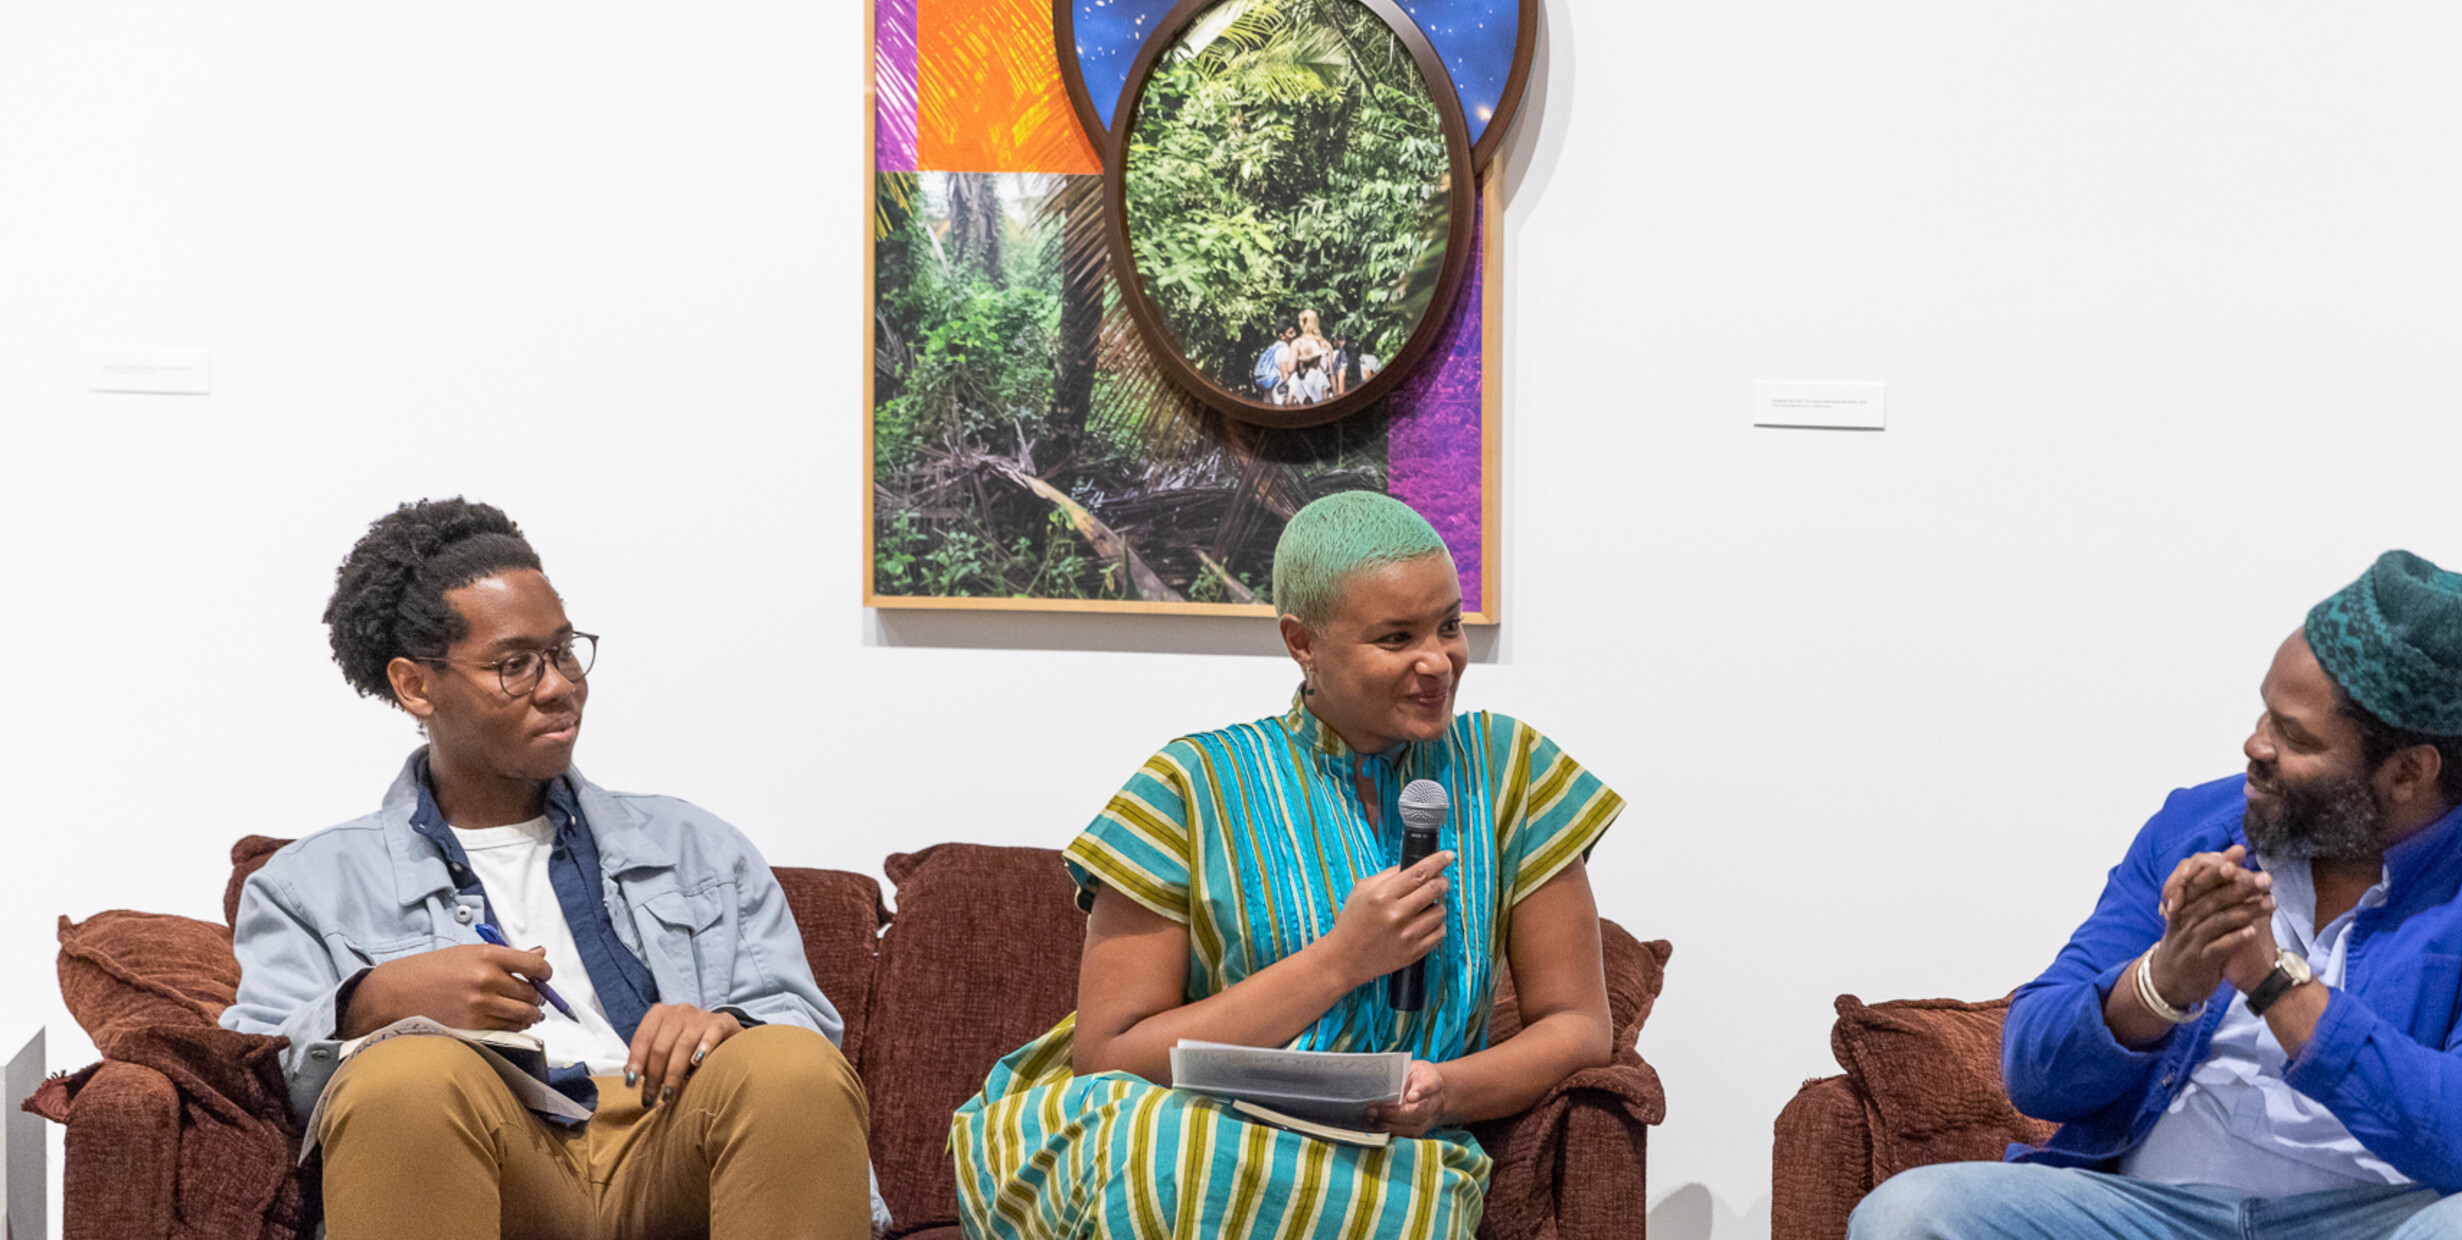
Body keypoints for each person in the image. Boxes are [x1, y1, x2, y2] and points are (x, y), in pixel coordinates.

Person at [1850, 551, 2462, 1240]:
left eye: (2298, 739)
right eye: (2265, 715)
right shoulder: (2202, 825)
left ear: (2409, 771)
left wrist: (2274, 980)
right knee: (1909, 1216)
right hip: (2154, 1212)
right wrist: (2162, 984)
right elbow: (2034, 1067)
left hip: (2388, 1217)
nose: (2257, 747)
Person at [951, 491, 1623, 1238]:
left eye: (1449, 625)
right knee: (1175, 1153)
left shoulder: (1509, 770)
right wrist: (1340, 961)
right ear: (1302, 643)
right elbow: (1110, 1054)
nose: (1438, 662)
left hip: (1389, 1158)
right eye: (1396, 637)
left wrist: (1447, 1092)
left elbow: (1579, 1025)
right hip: (1183, 1123)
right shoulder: (1191, 784)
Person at [220, 498, 881, 1240]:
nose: (558, 684)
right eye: (515, 665)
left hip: (676, 1145)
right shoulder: (307, 885)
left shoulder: (698, 846)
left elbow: (807, 1029)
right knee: (404, 1079)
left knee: (788, 1066)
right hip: (489, 1149)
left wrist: (725, 1027)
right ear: (415, 686)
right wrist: (371, 1004)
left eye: (563, 651)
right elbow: (254, 1083)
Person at [1254, 323, 1298, 399]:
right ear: (1282, 336)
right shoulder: (1285, 350)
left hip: (1268, 391)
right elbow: (1285, 373)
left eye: (1294, 331)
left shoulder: (1273, 348)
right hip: (1279, 392)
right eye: (1290, 333)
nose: (1294, 335)